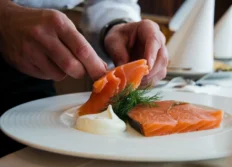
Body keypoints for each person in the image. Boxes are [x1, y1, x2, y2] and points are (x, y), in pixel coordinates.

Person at [0, 0, 168, 157]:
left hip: (33, 58)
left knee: (39, 154)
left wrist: (116, 26)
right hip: (14, 33)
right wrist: (4, 16)